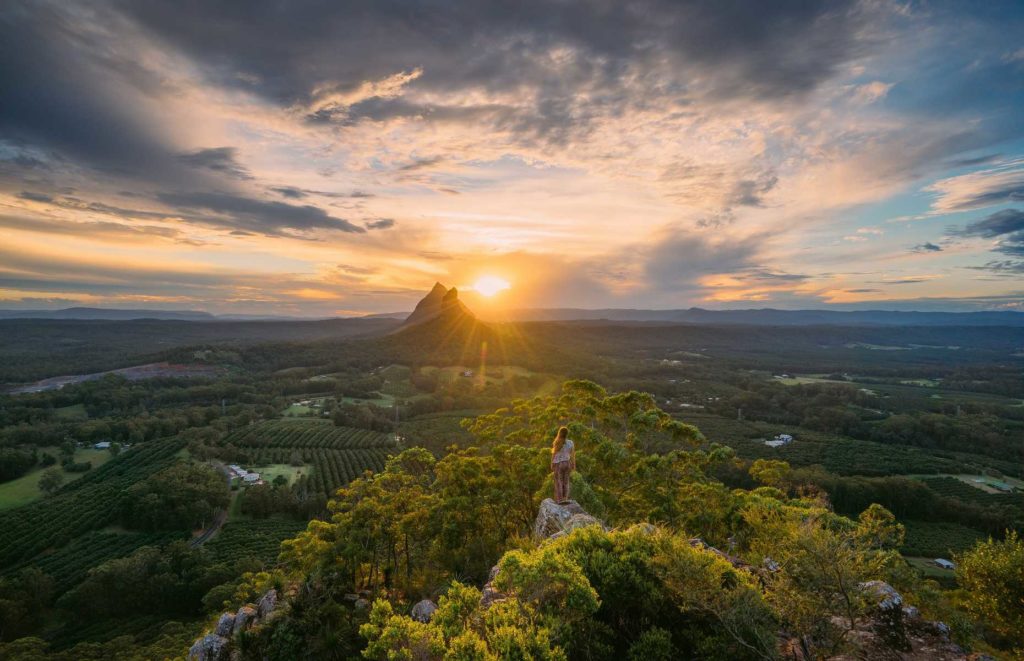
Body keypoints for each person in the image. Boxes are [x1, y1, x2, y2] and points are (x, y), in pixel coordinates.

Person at [550, 426, 575, 503]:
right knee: (566, 481)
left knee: (558, 481)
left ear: (559, 433)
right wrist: (573, 464)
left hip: (558, 464)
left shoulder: (557, 442)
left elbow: (553, 454)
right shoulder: (571, 442)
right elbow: (573, 454)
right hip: (567, 463)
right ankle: (565, 498)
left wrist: (551, 463)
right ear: (567, 434)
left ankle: (560, 500)